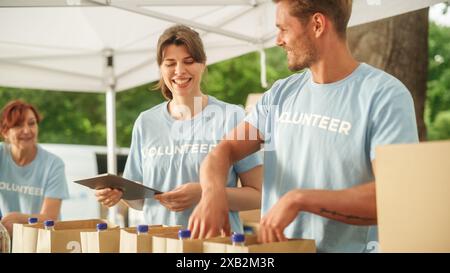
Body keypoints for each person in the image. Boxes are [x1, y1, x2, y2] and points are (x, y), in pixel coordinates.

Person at [188, 0, 419, 252]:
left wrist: (301, 199)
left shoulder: (385, 95)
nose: (278, 40)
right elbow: (223, 151)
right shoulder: (280, 94)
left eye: (283, 28)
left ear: (317, 25)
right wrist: (212, 192)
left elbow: (395, 195)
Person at [95, 25, 263, 233]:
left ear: (203, 64)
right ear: (161, 68)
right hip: (159, 242)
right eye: (170, 63)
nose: (180, 71)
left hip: (215, 244)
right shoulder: (146, 122)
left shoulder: (232, 117)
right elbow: (140, 200)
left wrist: (206, 193)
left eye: (189, 61)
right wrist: (119, 193)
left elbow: (259, 195)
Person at [0, 100, 69, 235]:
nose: (27, 130)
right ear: (5, 132)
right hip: (6, 240)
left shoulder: (53, 164)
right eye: (18, 125)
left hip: (42, 241)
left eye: (32, 123)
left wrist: (15, 218)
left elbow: (50, 218)